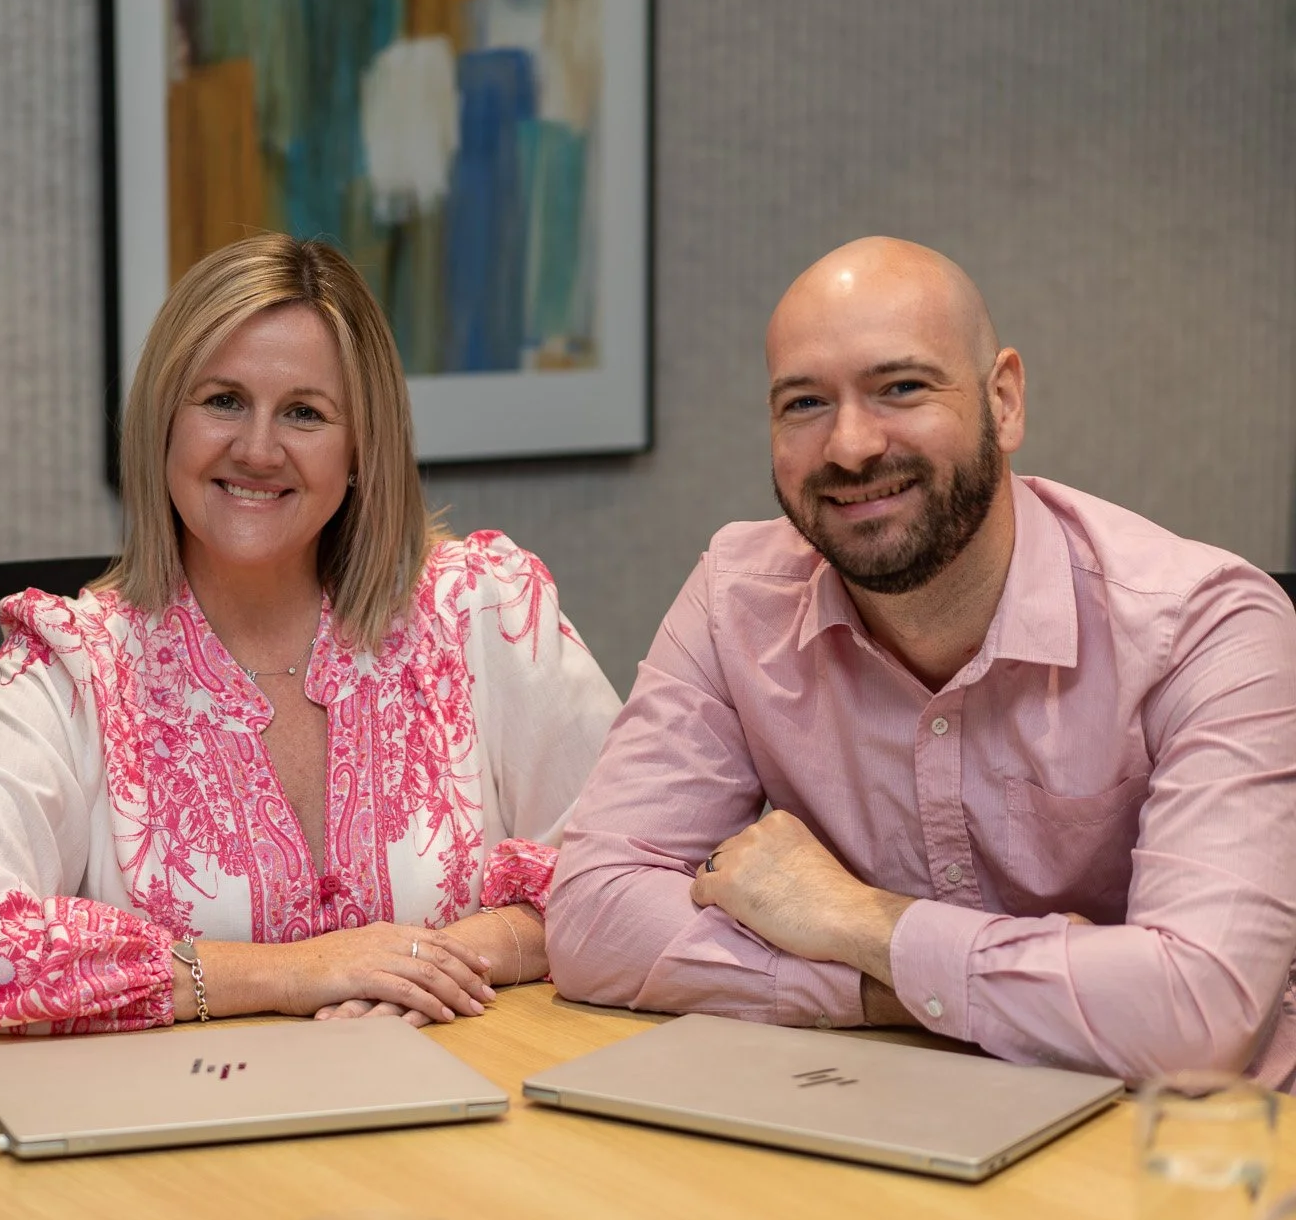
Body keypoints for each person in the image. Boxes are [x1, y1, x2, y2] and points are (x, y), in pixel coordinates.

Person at [546, 236, 1296, 1086]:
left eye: (900, 387)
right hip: (895, 1111)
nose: (851, 446)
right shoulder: (735, 600)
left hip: (1184, 1154)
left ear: (1004, 400)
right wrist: (894, 988)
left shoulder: (1207, 625)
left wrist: (857, 917)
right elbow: (592, 915)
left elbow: (1200, 1015)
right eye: (803, 403)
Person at [0, 234, 619, 1032]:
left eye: (305, 412)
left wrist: (443, 958)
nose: (259, 449)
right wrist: (293, 971)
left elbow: (636, 865)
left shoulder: (483, 613)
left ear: (360, 451)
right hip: (191, 1133)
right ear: (163, 422)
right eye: (224, 400)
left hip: (470, 1114)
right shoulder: (68, 668)